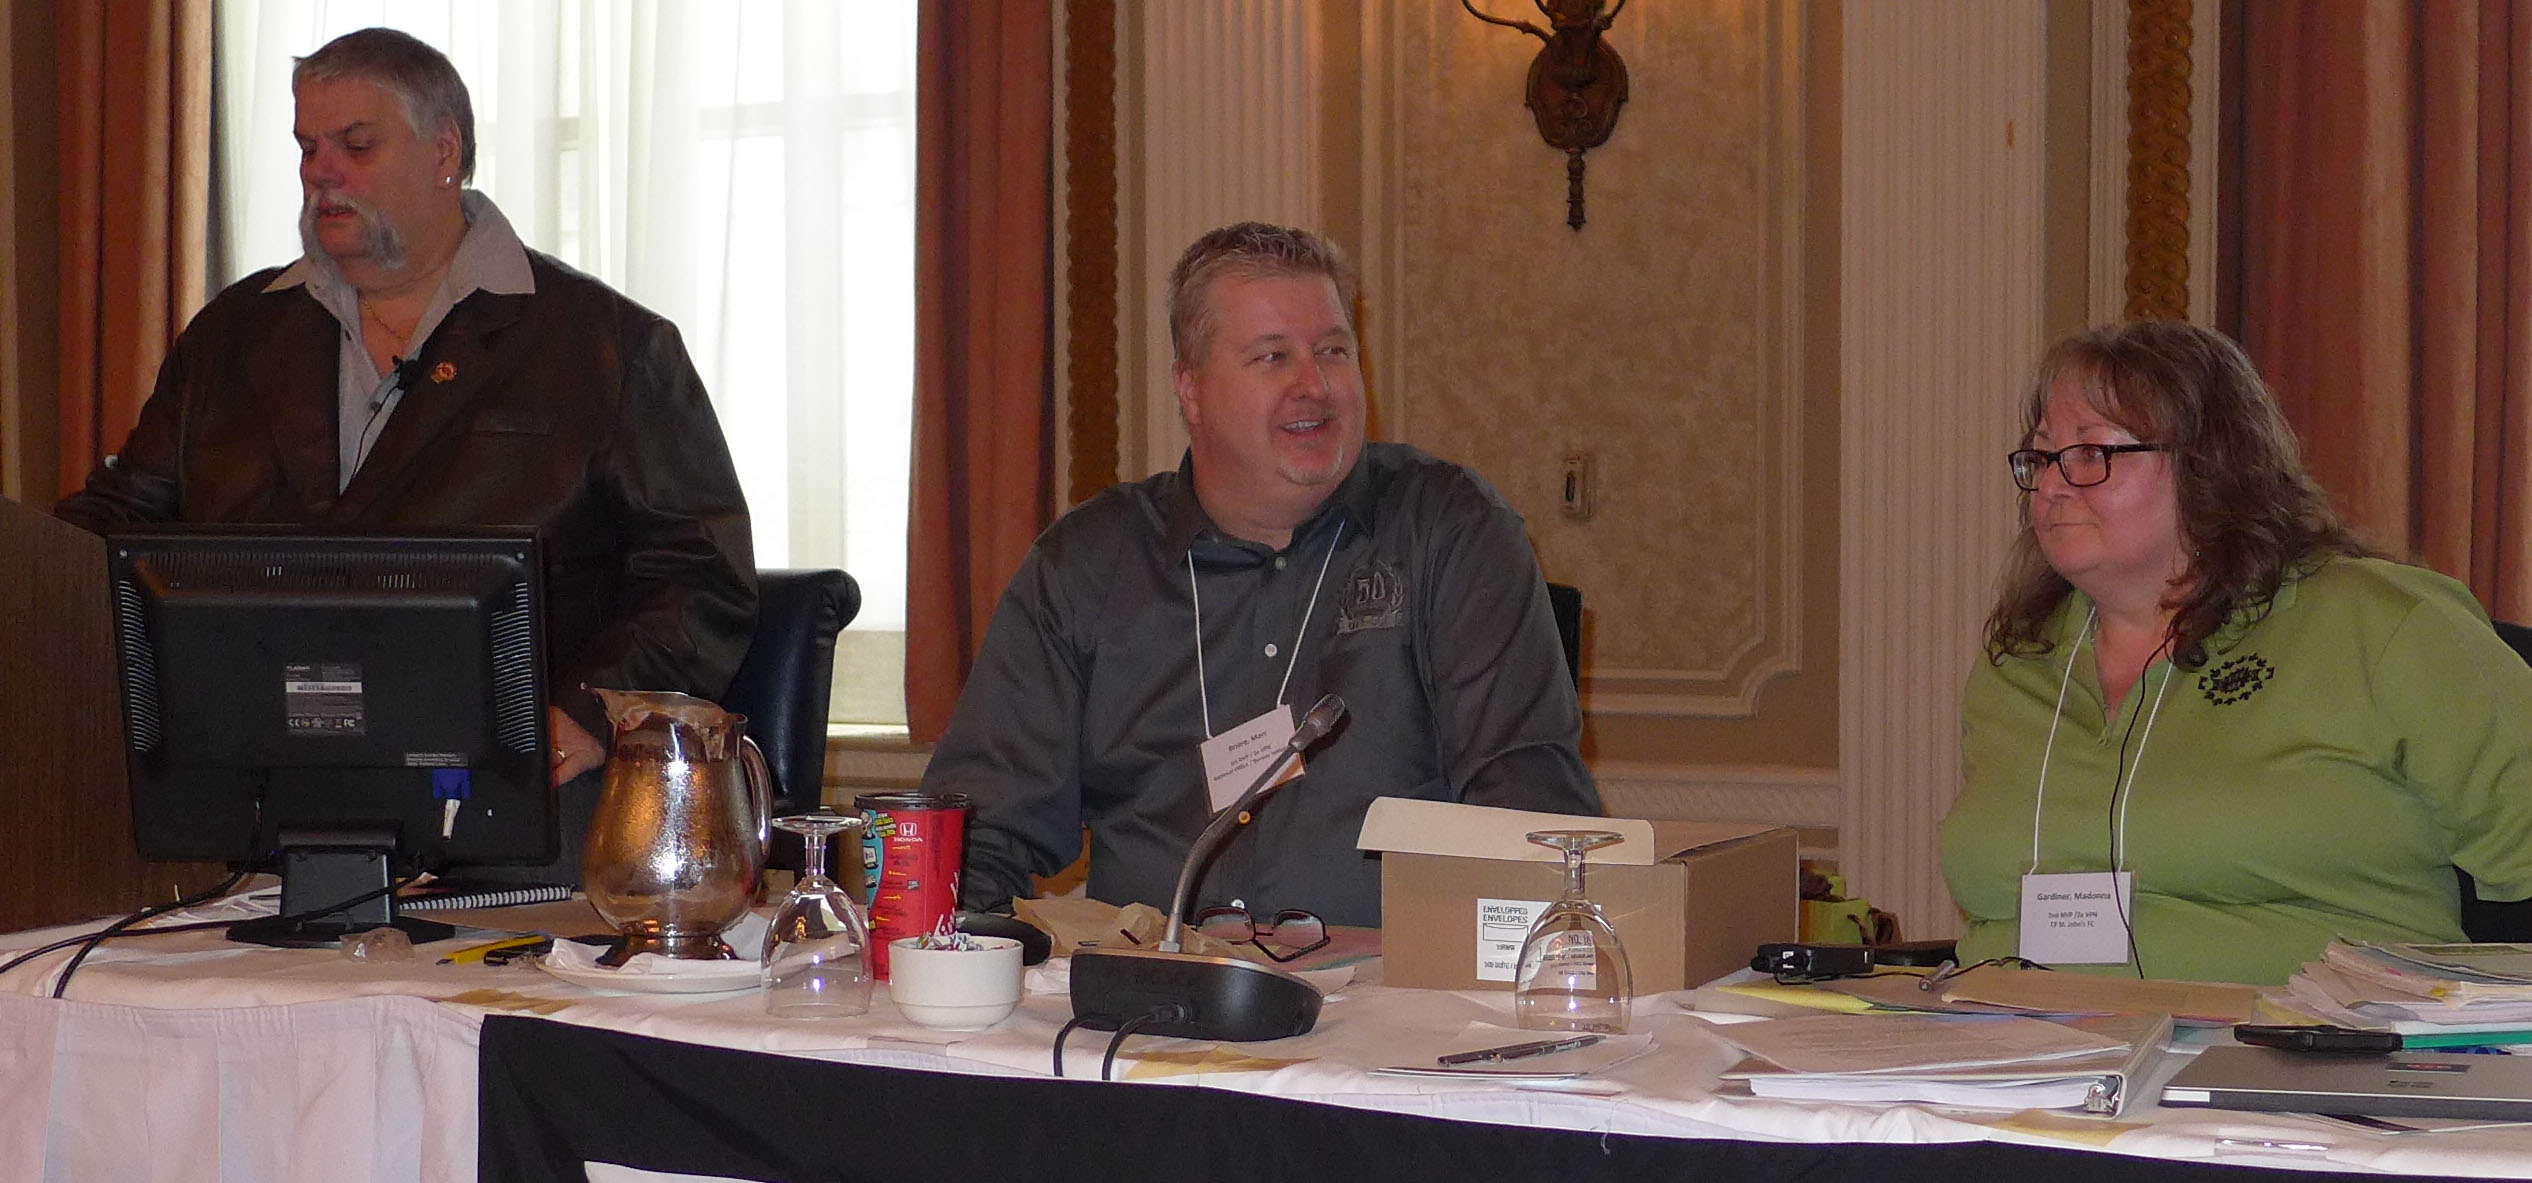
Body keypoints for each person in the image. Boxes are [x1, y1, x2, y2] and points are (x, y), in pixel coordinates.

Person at [58, 27, 755, 838]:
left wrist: (591, 711)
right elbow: (122, 521)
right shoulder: (235, 335)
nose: (322, 172)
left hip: (512, 803)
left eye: (355, 144)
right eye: (308, 147)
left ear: (444, 153)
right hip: (252, 796)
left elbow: (701, 574)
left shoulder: (604, 345)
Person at [1936, 321, 2532, 987]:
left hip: (2298, 1082)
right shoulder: (2018, 663)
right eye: (2040, 455)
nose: (2053, 484)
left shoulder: (2380, 626)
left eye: (2091, 451)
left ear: (2207, 464)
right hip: (2023, 1068)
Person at [923, 222, 1601, 927]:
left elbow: (1531, 817)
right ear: (1191, 390)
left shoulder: (1451, 530)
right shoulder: (1088, 566)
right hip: (1146, 1007)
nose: (1314, 385)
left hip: (1386, 1013)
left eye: (1334, 351)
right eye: (1272, 357)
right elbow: (976, 835)